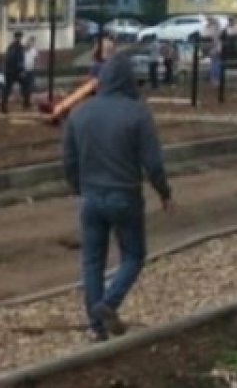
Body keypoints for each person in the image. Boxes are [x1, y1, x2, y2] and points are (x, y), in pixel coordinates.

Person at [62, 56, 174, 342]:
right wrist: (164, 193)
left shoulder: (79, 113)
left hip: (90, 197)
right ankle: (108, 304)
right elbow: (153, 163)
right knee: (134, 256)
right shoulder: (138, 113)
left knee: (92, 262)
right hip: (125, 195)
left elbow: (69, 159)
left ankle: (96, 329)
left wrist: (77, 186)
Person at [1, 31, 26, 113]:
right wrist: (21, 70)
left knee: (7, 89)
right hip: (13, 71)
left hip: (9, 71)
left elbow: (7, 59)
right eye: (19, 37)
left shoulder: (11, 47)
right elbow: (19, 60)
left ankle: (4, 106)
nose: (20, 38)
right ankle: (4, 106)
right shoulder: (18, 47)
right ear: (18, 37)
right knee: (25, 84)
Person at [22, 36, 40, 110]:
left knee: (29, 86)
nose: (28, 45)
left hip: (31, 70)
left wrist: (35, 67)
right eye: (27, 44)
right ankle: (25, 101)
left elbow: (36, 59)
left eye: (30, 43)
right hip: (24, 71)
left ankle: (27, 101)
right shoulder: (23, 52)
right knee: (24, 87)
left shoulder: (34, 50)